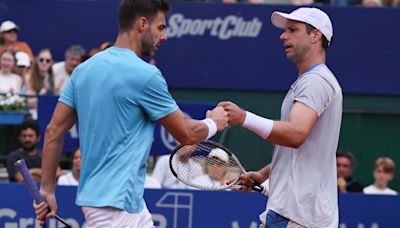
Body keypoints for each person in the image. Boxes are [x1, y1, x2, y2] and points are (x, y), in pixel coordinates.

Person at [33, 0, 228, 227]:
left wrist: (47, 189)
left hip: (123, 203)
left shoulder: (83, 71)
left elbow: (54, 130)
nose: (164, 36)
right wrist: (214, 122)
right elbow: (186, 134)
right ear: (143, 24)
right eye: (161, 28)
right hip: (116, 210)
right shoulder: (146, 75)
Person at [219, 7, 342, 228]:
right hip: (298, 212)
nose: (283, 36)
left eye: (293, 30)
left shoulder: (315, 82)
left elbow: (295, 135)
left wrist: (243, 118)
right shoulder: (311, 81)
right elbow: (299, 152)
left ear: (316, 36)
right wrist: (264, 174)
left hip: (296, 214)